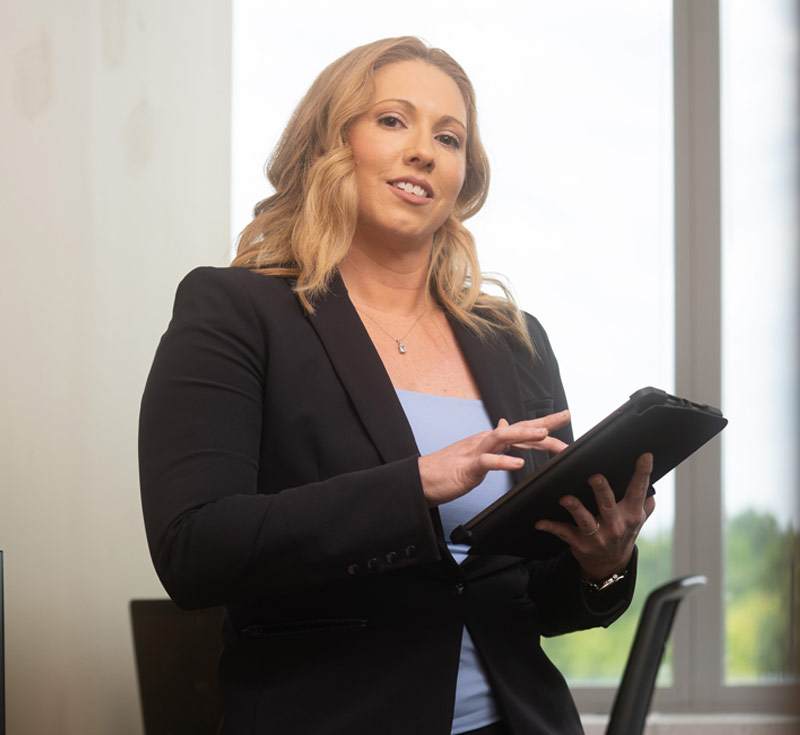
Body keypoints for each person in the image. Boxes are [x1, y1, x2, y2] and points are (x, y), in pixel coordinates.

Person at [138, 36, 655, 735]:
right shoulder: (236, 313)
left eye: (449, 137)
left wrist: (601, 563)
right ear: (329, 141)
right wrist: (413, 485)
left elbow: (532, 600)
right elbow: (193, 550)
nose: (424, 150)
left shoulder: (515, 339)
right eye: (393, 120)